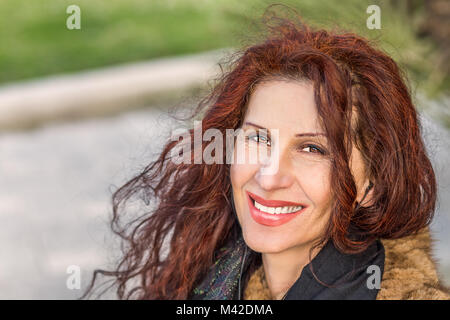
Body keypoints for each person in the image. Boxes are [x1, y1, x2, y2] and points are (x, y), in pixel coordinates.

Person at [83, 9, 450, 300]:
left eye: (312, 148)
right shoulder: (215, 270)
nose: (269, 176)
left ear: (372, 186)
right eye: (258, 139)